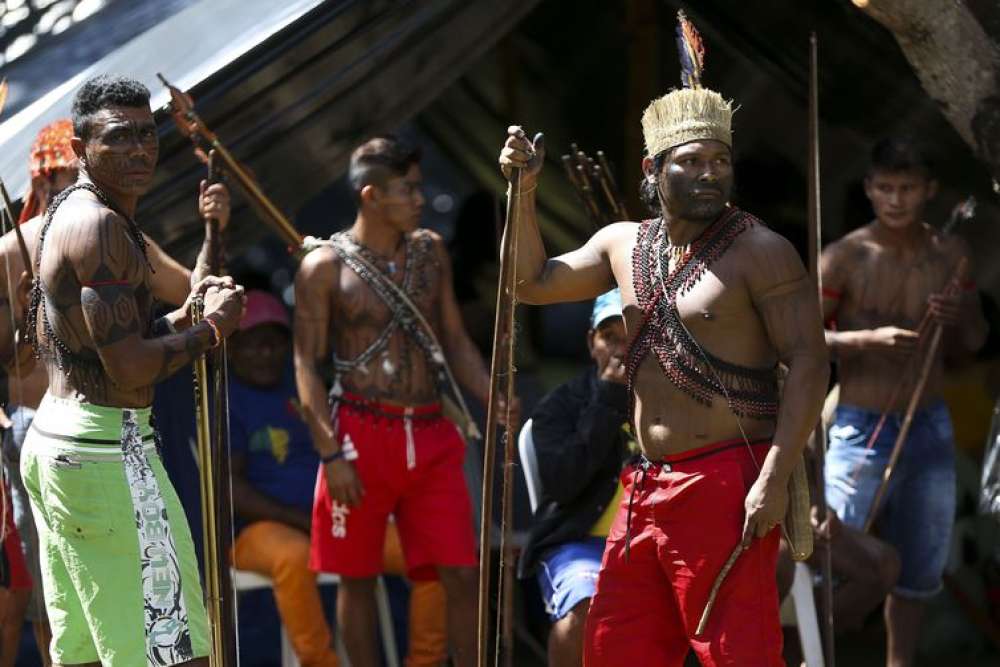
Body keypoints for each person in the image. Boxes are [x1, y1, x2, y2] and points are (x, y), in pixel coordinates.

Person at [498, 80, 829, 663]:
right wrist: (522, 193)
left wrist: (774, 480)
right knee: (619, 648)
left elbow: (809, 359)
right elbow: (528, 283)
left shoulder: (762, 250)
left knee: (736, 652)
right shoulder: (622, 244)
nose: (709, 173)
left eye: (720, 160)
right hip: (646, 484)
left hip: (729, 483)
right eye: (692, 161)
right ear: (653, 167)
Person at [18, 74, 245, 667]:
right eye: (119, 137)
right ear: (80, 149)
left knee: (95, 654)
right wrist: (213, 328)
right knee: (174, 654)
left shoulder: (82, 214)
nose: (140, 150)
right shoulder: (100, 228)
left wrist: (204, 279)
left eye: (147, 134)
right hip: (104, 454)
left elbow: (126, 335)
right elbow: (129, 364)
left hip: (65, 444)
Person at [295, 135, 503, 667]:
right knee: (357, 578)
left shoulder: (432, 252)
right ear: (370, 196)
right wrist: (330, 453)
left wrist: (491, 392)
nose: (420, 198)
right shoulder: (323, 267)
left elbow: (454, 339)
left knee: (461, 570)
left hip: (432, 434)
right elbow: (307, 366)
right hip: (359, 438)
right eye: (407, 190)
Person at [820, 137, 988, 666]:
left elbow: (977, 342)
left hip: (928, 420)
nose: (896, 200)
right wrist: (866, 341)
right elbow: (799, 340)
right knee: (830, 552)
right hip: (857, 421)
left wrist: (961, 314)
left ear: (930, 190)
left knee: (918, 566)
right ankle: (812, 652)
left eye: (908, 188)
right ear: (869, 188)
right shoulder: (843, 257)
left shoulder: (951, 254)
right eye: (886, 188)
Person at [229, 289, 447, 667]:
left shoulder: (306, 390)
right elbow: (230, 489)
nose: (265, 353)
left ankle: (425, 661)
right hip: (257, 530)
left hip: (336, 518)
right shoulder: (225, 401)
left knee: (429, 550)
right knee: (293, 557)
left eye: (274, 343)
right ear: (230, 350)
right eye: (253, 344)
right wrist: (302, 521)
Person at [519, 288, 636, 667]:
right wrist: (607, 399)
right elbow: (563, 483)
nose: (621, 349)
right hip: (580, 543)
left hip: (655, 542)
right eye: (609, 337)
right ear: (592, 343)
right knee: (583, 610)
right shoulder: (559, 406)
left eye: (631, 338)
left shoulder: (673, 403)